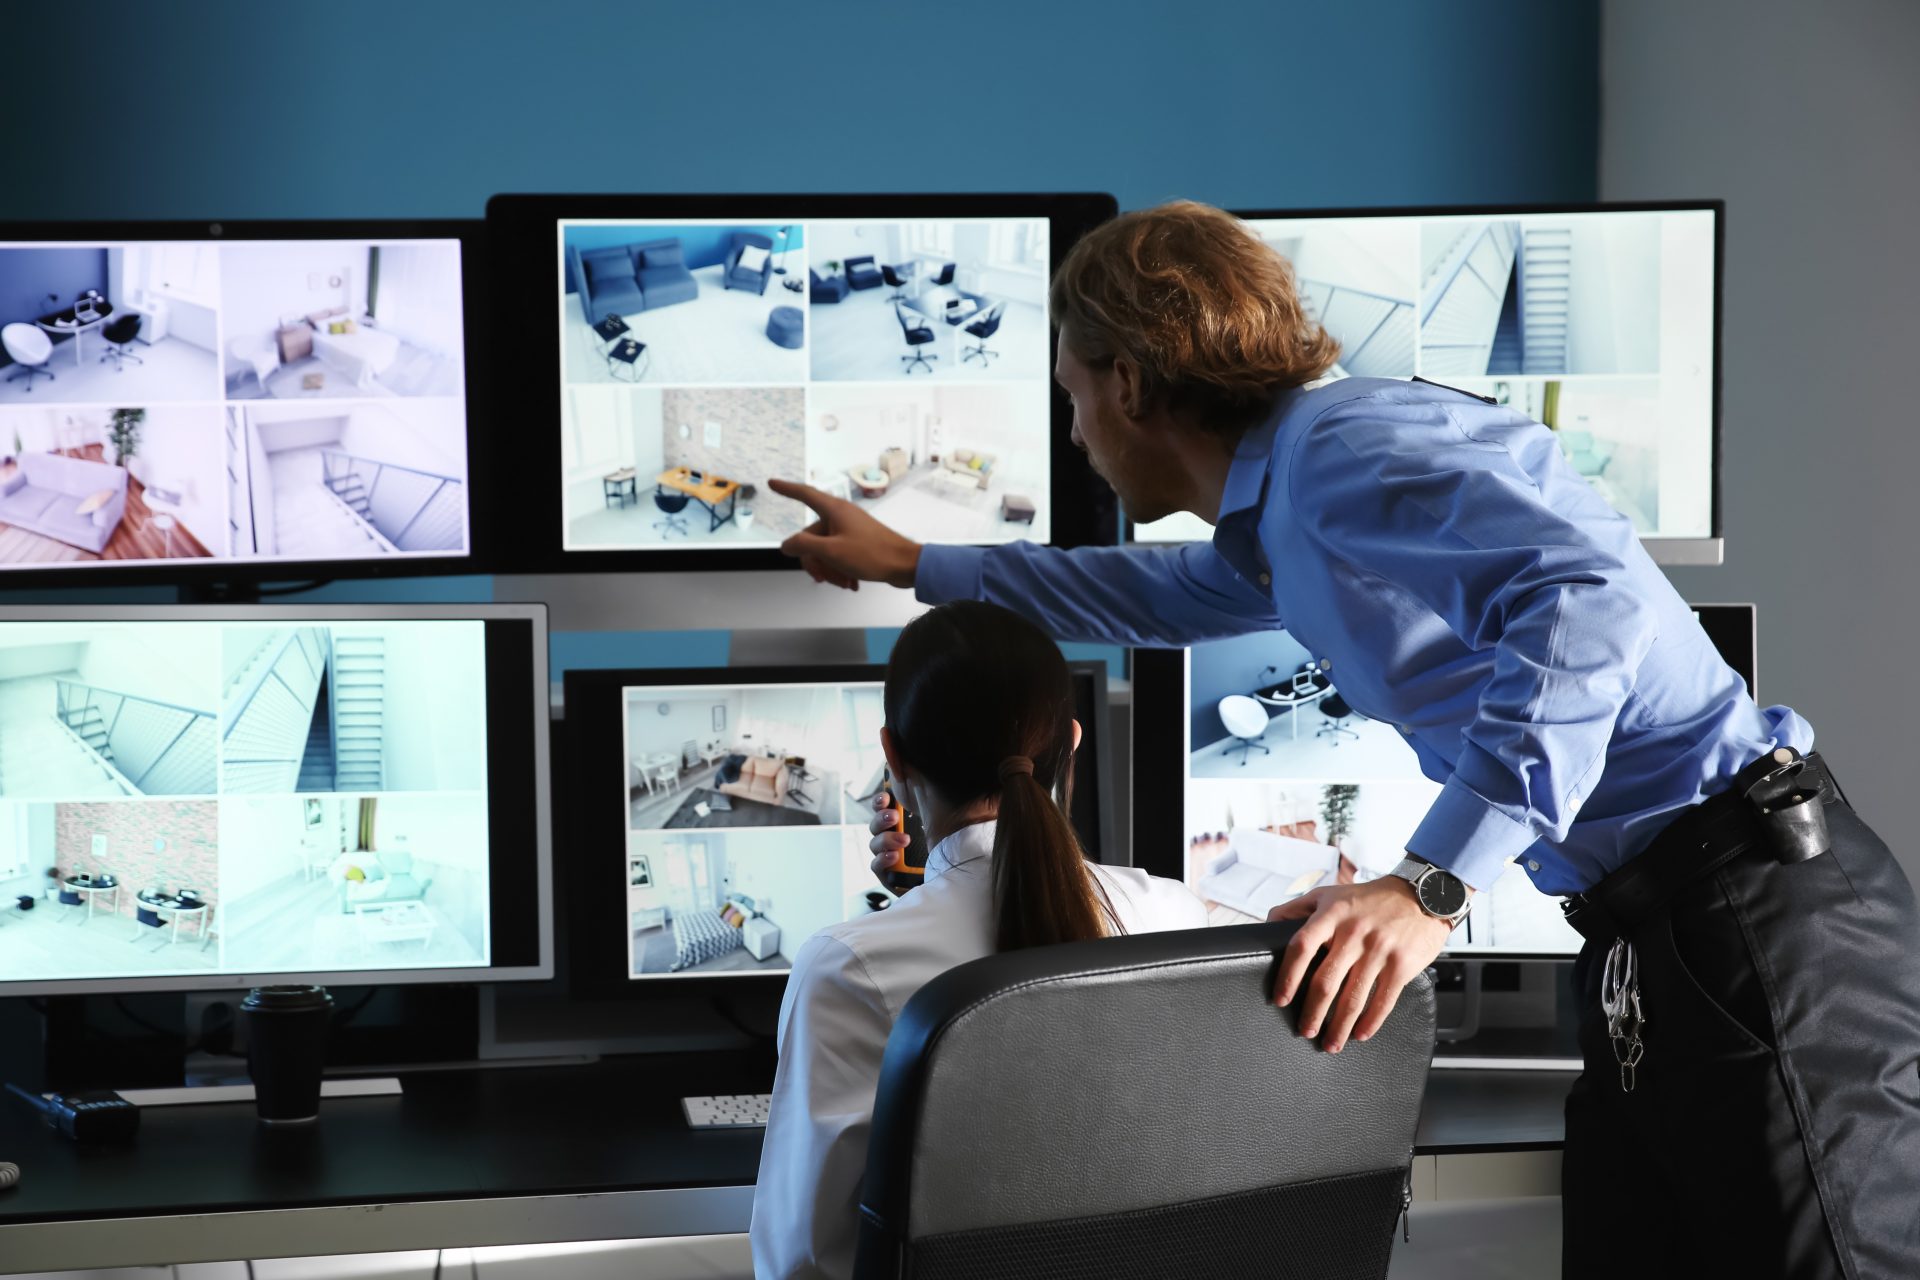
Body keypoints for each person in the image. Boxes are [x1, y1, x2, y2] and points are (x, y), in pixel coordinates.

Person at [765, 202, 1920, 1277]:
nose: (1074, 434)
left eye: (1070, 396)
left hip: (1758, 919)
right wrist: (918, 564)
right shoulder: (1291, 507)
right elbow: (1160, 595)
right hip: (1654, 940)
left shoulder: (1342, 449)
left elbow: (1588, 593)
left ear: (1127, 380)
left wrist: (1428, 885)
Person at [748, 600, 1206, 1279]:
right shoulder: (1177, 915)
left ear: (893, 757)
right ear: (1072, 743)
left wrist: (910, 914)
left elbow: (801, 1261)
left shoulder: (847, 969)